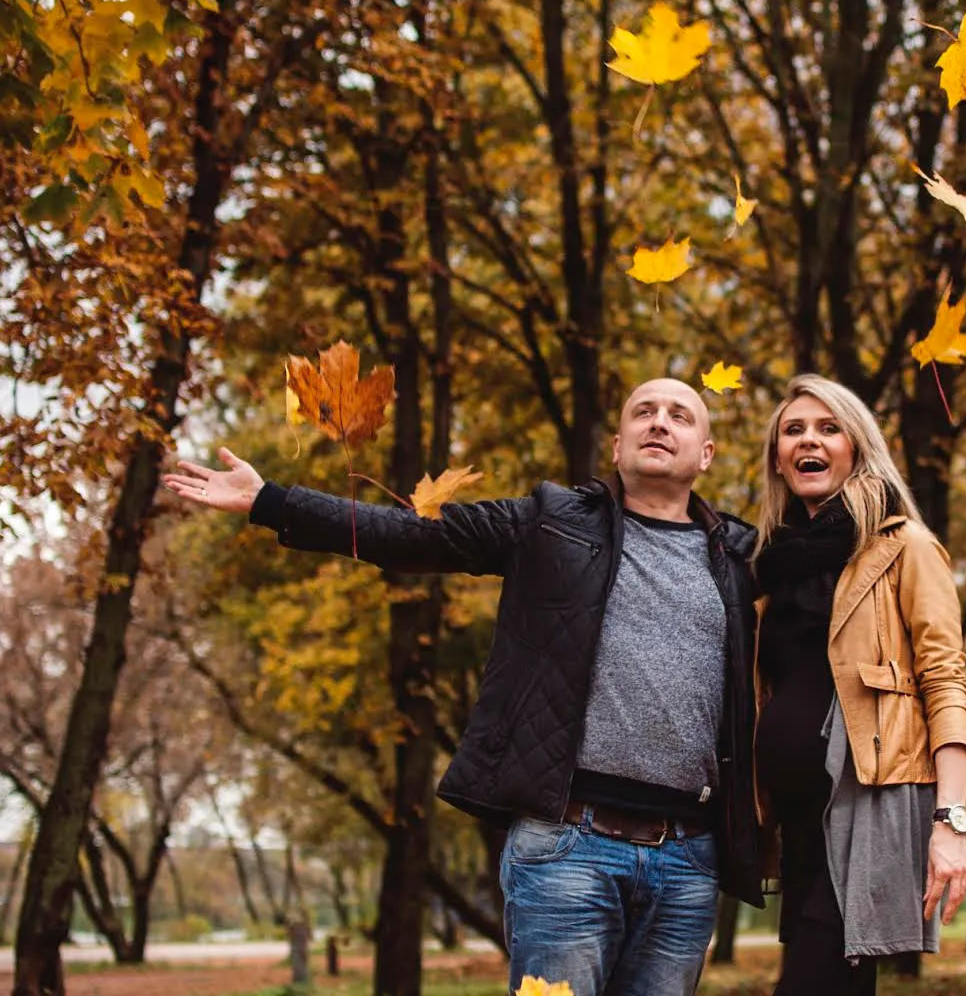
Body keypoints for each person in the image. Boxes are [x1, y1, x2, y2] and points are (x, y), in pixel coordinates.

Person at [163, 378, 763, 996]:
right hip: (568, 851)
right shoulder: (549, 521)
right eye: (644, 412)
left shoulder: (743, 559)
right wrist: (273, 502)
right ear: (616, 446)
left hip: (689, 862)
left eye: (679, 416)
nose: (660, 423)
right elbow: (412, 533)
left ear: (706, 454)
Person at [751, 374, 966, 995]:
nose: (808, 440)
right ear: (778, 456)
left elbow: (946, 682)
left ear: (857, 447)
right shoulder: (770, 564)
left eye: (829, 428)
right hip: (796, 820)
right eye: (793, 430)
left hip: (864, 807)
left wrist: (950, 823)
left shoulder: (905, 548)